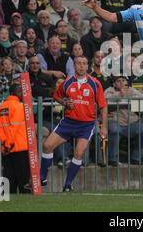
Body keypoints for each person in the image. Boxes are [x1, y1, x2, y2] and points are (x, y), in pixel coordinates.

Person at [40, 56, 108, 192]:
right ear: (74, 66)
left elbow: (103, 106)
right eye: (78, 63)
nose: (81, 66)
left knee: (78, 153)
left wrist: (104, 127)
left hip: (86, 125)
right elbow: (56, 96)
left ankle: (68, 185)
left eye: (84, 63)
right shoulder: (67, 82)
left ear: (87, 66)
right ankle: (42, 177)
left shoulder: (95, 83)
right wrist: (65, 103)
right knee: (47, 146)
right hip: (68, 122)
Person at [0, 84, 30, 193]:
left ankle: (6, 202)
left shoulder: (1, 107)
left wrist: (5, 144)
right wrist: (9, 144)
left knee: (9, 177)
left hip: (6, 148)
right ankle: (26, 203)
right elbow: (14, 127)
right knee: (23, 179)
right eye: (21, 91)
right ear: (17, 93)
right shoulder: (19, 106)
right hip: (19, 147)